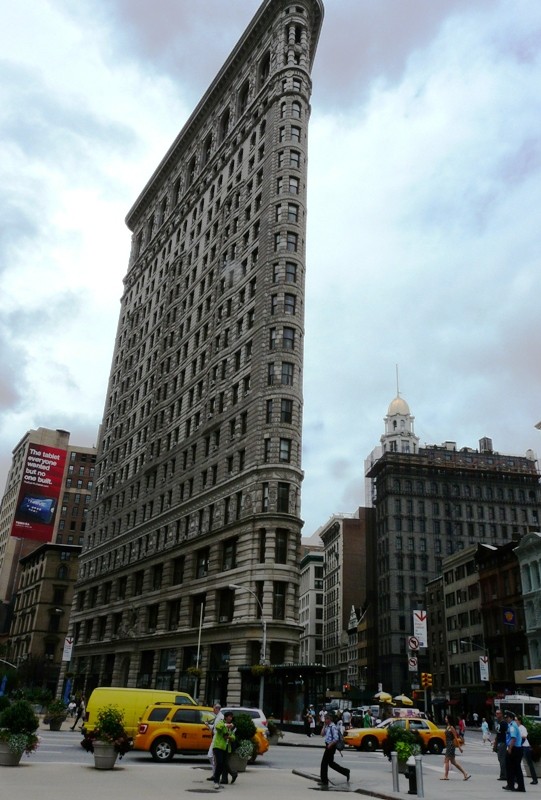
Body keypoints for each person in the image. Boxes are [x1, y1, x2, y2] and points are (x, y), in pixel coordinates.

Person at [320, 712, 350, 787]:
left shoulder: (333, 727)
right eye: (325, 719)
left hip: (331, 747)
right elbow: (322, 734)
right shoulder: (327, 726)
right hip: (328, 746)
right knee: (331, 764)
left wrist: (330, 745)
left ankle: (324, 781)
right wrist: (324, 725)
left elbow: (336, 739)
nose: (325, 720)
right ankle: (346, 771)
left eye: (326, 719)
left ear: (330, 719)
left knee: (324, 764)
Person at [441, 714, 471, 781]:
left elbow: (456, 738)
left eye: (446, 718)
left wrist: (459, 747)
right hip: (448, 745)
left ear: (449, 719)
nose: (445, 719)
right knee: (453, 762)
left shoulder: (451, 727)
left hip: (451, 745)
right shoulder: (447, 727)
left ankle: (446, 776)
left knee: (446, 760)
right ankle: (465, 773)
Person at [212, 710, 237, 789]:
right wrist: (226, 725)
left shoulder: (231, 727)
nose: (231, 718)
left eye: (231, 717)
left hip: (226, 748)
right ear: (226, 717)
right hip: (218, 746)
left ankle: (219, 780)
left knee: (222, 764)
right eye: (229, 717)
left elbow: (233, 737)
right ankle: (216, 781)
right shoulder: (221, 722)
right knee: (219, 763)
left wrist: (229, 737)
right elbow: (218, 727)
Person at [503, 711, 524, 792]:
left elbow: (513, 738)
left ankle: (519, 787)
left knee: (515, 768)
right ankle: (511, 785)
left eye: (507, 718)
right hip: (515, 748)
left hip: (515, 749)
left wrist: (510, 748)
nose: (506, 719)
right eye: (505, 718)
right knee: (511, 768)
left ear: (511, 718)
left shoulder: (512, 726)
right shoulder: (511, 725)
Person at [517, 715, 538, 785]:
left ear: (519, 721)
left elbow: (524, 736)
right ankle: (516, 778)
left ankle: (535, 779)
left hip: (525, 747)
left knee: (529, 764)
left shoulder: (522, 728)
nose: (515, 721)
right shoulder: (517, 727)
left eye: (516, 720)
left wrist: (519, 739)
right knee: (517, 763)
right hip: (520, 747)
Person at [206, 703, 224, 780]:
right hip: (215, 738)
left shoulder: (221, 717)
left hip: (217, 739)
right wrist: (208, 725)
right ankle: (215, 774)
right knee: (212, 757)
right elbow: (214, 728)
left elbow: (218, 729)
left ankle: (216, 775)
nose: (213, 710)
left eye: (214, 709)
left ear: (217, 709)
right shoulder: (218, 717)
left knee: (211, 756)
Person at [494, 708, 509, 781]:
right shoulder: (499, 723)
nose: (497, 715)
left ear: (501, 714)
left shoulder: (504, 723)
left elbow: (507, 732)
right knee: (500, 759)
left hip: (503, 742)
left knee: (502, 759)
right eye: (496, 713)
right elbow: (497, 734)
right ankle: (503, 774)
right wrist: (495, 744)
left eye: (498, 713)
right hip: (499, 742)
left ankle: (504, 775)